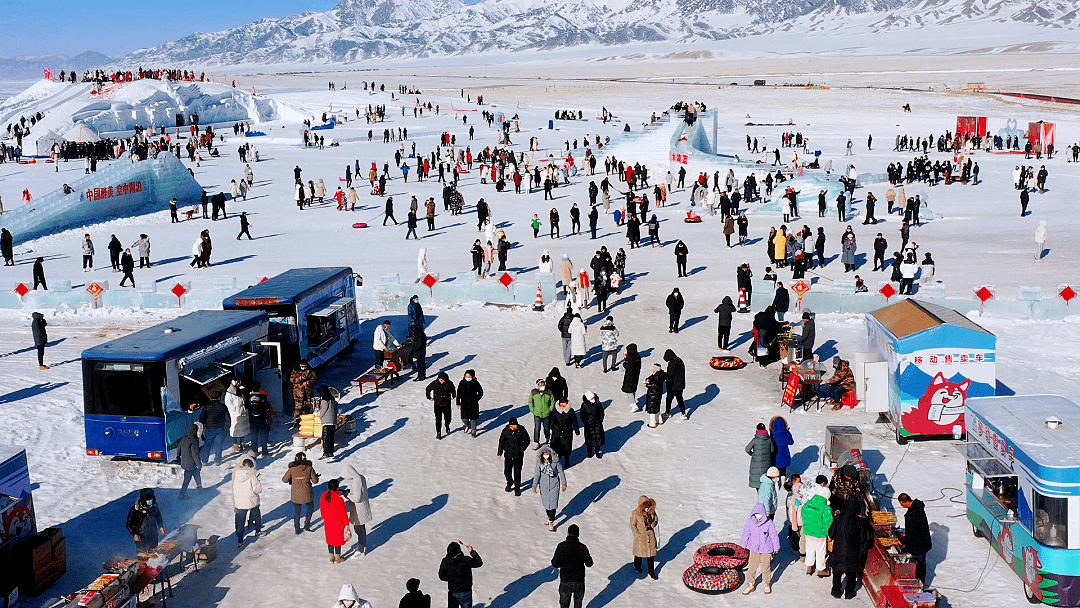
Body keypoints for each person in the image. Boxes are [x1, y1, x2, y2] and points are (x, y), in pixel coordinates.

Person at [829, 498, 869, 599]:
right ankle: (849, 592)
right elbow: (863, 538)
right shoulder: (859, 521)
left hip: (839, 549)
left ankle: (836, 591)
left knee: (837, 571)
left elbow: (831, 533)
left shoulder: (838, 519)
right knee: (851, 572)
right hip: (853, 550)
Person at [741, 503, 781, 594]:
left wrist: (776, 547)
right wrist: (743, 545)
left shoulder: (769, 523)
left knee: (765, 568)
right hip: (754, 548)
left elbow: (774, 536)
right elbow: (746, 533)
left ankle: (767, 583)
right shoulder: (750, 522)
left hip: (766, 549)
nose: (758, 516)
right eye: (756, 514)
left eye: (760, 514)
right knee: (751, 567)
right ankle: (750, 584)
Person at [551, 524, 593, 608]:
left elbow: (555, 564)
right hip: (579, 581)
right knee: (578, 605)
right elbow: (589, 563)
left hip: (565, 581)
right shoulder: (582, 547)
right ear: (578, 535)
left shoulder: (561, 546)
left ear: (568, 533)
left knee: (564, 605)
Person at [800, 476, 833, 576]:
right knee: (821, 551)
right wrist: (828, 534)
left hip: (809, 531)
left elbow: (803, 513)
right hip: (820, 533)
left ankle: (809, 567)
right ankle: (821, 569)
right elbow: (828, 522)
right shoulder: (825, 508)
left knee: (810, 548)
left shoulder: (808, 503)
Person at [898, 493, 932, 583]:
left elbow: (914, 533)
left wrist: (903, 540)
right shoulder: (915, 508)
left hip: (919, 544)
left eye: (901, 503)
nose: (901, 505)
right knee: (920, 564)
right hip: (921, 542)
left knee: (918, 565)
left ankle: (919, 583)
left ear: (905, 502)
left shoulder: (914, 513)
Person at [282, 452, 319, 534]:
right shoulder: (309, 468)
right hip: (307, 492)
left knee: (297, 510)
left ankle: (297, 528)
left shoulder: (292, 469)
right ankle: (307, 524)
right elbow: (315, 481)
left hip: (296, 493)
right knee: (310, 508)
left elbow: (284, 480)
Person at [438, 541, 482, 608]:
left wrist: (450, 579)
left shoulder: (445, 561)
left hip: (453, 592)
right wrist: (472, 551)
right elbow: (479, 563)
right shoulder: (466, 560)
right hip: (466, 592)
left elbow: (441, 576)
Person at [534, 445, 567, 531]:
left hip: (554, 486)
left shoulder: (556, 463)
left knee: (553, 504)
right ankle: (549, 517)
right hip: (544, 486)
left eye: (547, 453)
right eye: (544, 453)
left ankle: (551, 521)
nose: (546, 455)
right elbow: (537, 475)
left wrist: (564, 483)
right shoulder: (539, 465)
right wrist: (534, 485)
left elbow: (561, 472)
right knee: (546, 504)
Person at [232, 454, 263, 547]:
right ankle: (257, 531)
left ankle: (240, 540)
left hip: (239, 502)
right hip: (251, 501)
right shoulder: (252, 475)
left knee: (240, 522)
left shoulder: (236, 475)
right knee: (257, 516)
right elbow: (258, 489)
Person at [342, 465, 372, 556]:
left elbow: (357, 498)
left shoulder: (356, 481)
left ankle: (361, 549)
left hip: (359, 509)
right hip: (362, 507)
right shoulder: (360, 477)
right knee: (361, 528)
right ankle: (362, 546)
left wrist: (348, 495)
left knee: (359, 529)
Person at [497, 417, 531, 495]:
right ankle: (510, 482)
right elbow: (501, 442)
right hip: (508, 456)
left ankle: (517, 489)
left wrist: (521, 448)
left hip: (518, 456)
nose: (513, 428)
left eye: (514, 426)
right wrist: (499, 453)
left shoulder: (521, 430)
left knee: (517, 473)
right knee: (507, 472)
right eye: (512, 426)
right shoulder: (505, 431)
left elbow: (527, 440)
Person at [126, 488, 165, 554]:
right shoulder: (135, 510)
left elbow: (158, 517)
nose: (150, 502)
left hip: (153, 534)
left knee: (153, 553)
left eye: (151, 500)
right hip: (141, 536)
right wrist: (134, 534)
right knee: (142, 554)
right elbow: (128, 524)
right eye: (148, 501)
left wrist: (161, 526)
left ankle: (153, 564)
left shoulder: (154, 506)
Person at [321, 479, 350, 563]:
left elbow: (322, 508)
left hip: (328, 521)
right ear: (337, 487)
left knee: (330, 539)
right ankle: (338, 557)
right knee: (337, 540)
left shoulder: (324, 495)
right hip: (338, 522)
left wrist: (324, 517)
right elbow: (343, 512)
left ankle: (331, 556)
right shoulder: (338, 499)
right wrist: (347, 523)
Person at [630, 496, 659, 579]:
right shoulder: (636, 513)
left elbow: (656, 519)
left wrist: (654, 523)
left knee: (651, 554)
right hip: (641, 536)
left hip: (650, 535)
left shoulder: (651, 511)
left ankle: (651, 571)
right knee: (639, 553)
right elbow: (632, 524)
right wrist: (637, 534)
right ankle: (637, 566)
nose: (646, 506)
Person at [245, 382, 273, 458]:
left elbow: (246, 407)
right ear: (259, 388)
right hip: (262, 418)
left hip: (252, 418)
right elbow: (267, 409)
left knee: (254, 435)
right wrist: (268, 418)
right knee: (263, 436)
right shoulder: (263, 397)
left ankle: (254, 451)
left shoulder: (248, 398)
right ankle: (264, 452)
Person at [550, 399, 580, 469]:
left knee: (567, 448)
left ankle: (567, 462)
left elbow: (574, 421)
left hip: (567, 432)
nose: (563, 405)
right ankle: (558, 459)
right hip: (557, 432)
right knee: (557, 447)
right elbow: (552, 420)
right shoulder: (555, 410)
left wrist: (577, 430)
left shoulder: (570, 411)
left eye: (564, 403)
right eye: (561, 403)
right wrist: (552, 429)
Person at [426, 372, 457, 440]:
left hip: (447, 404)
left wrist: (453, 395)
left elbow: (453, 389)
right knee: (438, 419)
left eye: (443, 380)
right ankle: (438, 433)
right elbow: (428, 389)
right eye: (440, 380)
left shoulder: (449, 383)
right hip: (438, 404)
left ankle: (447, 425)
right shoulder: (435, 383)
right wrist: (429, 397)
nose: (442, 381)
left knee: (448, 418)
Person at [177, 423, 203, 499]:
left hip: (184, 462)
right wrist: (199, 464)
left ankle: (200, 489)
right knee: (187, 479)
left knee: (197, 474)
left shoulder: (184, 437)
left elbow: (179, 448)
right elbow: (195, 454)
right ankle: (182, 494)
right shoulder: (194, 441)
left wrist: (178, 457)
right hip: (191, 464)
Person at [746, 423, 775, 489]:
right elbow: (772, 450)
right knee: (765, 479)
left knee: (757, 480)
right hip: (766, 463)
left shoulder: (755, 440)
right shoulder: (769, 440)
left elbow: (747, 449)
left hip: (756, 462)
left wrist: (752, 454)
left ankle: (759, 492)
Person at [456, 369, 483, 437]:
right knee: (464, 418)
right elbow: (458, 393)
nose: (467, 378)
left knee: (473, 418)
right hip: (464, 403)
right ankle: (468, 425)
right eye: (466, 376)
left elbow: (480, 392)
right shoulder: (462, 382)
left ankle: (473, 431)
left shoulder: (475, 383)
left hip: (473, 404)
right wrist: (458, 402)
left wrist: (476, 399)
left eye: (469, 376)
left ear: (473, 376)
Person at [578, 391, 606, 459]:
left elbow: (601, 412)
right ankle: (589, 453)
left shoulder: (598, 404)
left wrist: (599, 420)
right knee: (589, 441)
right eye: (591, 398)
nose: (593, 399)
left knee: (598, 440)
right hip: (588, 426)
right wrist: (585, 422)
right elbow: (582, 415)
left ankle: (597, 452)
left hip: (597, 425)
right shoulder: (584, 405)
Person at [225, 378, 250, 452]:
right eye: (237, 382)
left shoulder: (238, 390)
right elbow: (228, 402)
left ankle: (242, 442)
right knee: (235, 429)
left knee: (242, 428)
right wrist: (234, 409)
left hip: (242, 412)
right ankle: (235, 443)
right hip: (235, 414)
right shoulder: (229, 392)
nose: (238, 383)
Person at [662, 349, 687, 420]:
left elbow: (670, 374)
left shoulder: (672, 363)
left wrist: (662, 375)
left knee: (669, 399)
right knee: (680, 399)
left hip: (673, 385)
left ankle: (667, 412)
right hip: (680, 384)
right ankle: (683, 413)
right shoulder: (679, 360)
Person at [316, 385, 338, 459]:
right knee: (331, 437)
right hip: (333, 421)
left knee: (325, 437)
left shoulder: (324, 401)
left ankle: (326, 452)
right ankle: (331, 452)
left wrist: (320, 417)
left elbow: (323, 411)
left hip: (326, 421)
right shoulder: (333, 401)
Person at [643, 363, 665, 427]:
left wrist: (647, 385)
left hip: (654, 394)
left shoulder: (657, 376)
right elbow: (652, 377)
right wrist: (648, 378)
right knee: (656, 407)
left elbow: (656, 385)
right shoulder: (660, 374)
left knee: (652, 409)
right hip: (657, 394)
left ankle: (652, 423)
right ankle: (659, 420)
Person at [622, 343, 642, 412]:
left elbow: (628, 366)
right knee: (632, 389)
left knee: (629, 391)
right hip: (636, 375)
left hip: (630, 376)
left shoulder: (631, 357)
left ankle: (633, 404)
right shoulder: (638, 356)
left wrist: (624, 362)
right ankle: (632, 402)